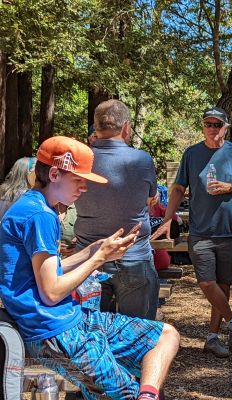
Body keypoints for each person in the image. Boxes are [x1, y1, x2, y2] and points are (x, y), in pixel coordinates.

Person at [0, 136, 179, 400]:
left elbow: (48, 271)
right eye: (78, 180)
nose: (84, 187)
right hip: (57, 332)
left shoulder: (35, 205)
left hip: (73, 320)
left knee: (166, 335)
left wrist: (93, 250)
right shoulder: (40, 216)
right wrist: (97, 260)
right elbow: (51, 292)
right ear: (54, 174)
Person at [152, 106, 232, 357]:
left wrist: (230, 187)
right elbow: (179, 189)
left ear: (226, 128)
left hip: (231, 231)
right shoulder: (192, 154)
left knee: (223, 284)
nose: (212, 129)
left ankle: (212, 337)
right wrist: (167, 219)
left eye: (217, 124)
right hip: (201, 231)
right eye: (208, 124)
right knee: (206, 282)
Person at [75, 100, 160, 320]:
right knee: (139, 331)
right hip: (134, 257)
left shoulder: (81, 161)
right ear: (126, 128)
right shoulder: (142, 160)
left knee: (89, 330)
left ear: (96, 127)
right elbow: (150, 199)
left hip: (87, 260)